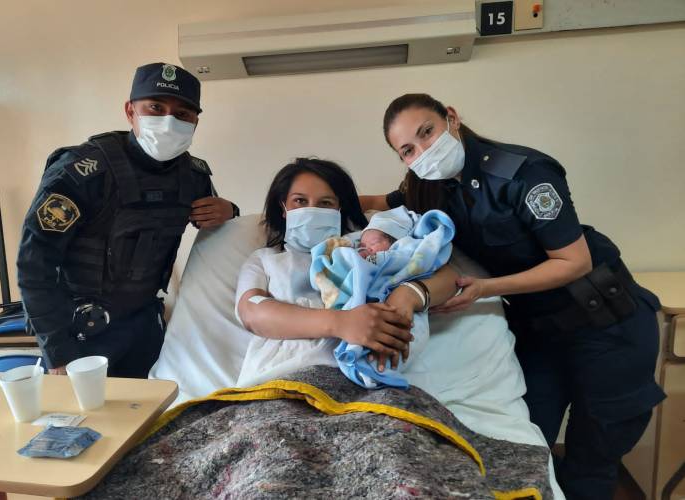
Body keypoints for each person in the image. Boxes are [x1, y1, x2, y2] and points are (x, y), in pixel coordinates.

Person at [360, 93, 665, 499]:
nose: (423, 151)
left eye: (427, 132)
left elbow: (574, 262)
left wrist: (485, 289)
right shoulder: (431, 186)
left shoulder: (524, 173)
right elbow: (383, 203)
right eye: (408, 150)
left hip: (604, 324)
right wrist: (321, 208)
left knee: (590, 465)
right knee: (521, 448)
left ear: (451, 118)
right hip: (539, 333)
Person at [17, 62, 239, 378]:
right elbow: (34, 264)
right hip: (78, 331)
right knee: (84, 411)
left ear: (195, 122)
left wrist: (230, 210)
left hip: (144, 326)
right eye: (156, 108)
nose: (169, 122)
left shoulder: (192, 175)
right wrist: (57, 353)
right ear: (130, 111)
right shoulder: (83, 171)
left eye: (182, 114)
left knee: (152, 407)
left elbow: (216, 223)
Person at [234, 158, 459, 387]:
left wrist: (408, 295)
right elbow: (251, 311)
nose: (312, 210)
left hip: (369, 378)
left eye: (325, 203)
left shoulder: (366, 246)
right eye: (300, 201)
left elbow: (449, 277)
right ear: (283, 208)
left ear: (339, 209)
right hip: (281, 376)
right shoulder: (266, 260)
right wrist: (340, 323)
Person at [309, 205, 455, 388]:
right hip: (362, 309)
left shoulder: (405, 251)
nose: (366, 249)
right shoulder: (356, 252)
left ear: (396, 241)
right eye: (362, 245)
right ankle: (361, 358)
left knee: (402, 332)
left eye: (373, 243)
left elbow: (432, 268)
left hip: (401, 300)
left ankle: (377, 368)